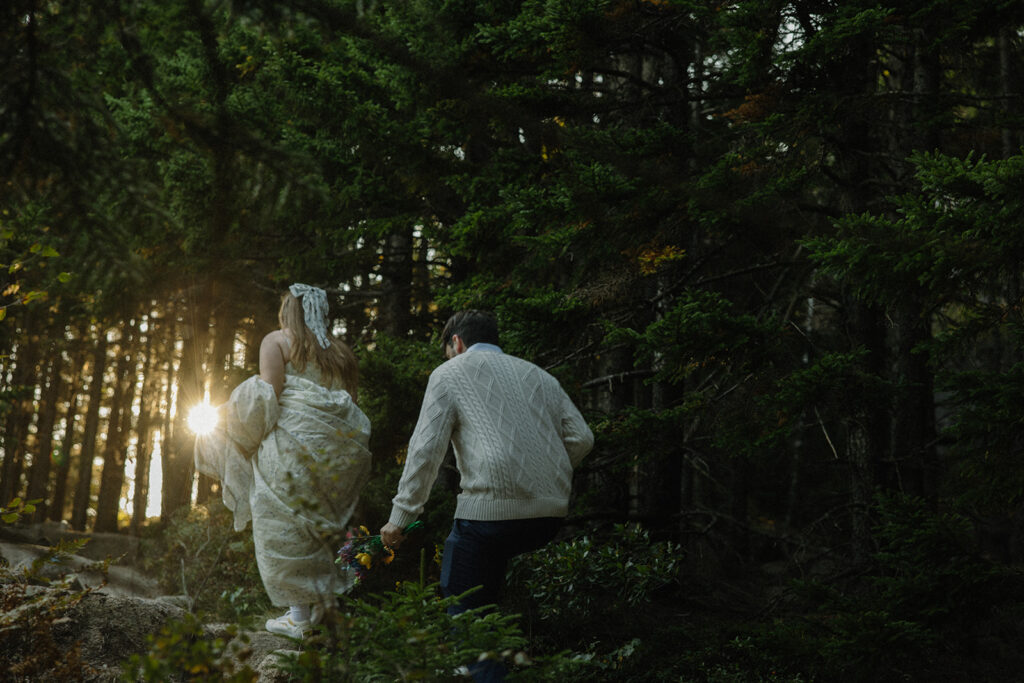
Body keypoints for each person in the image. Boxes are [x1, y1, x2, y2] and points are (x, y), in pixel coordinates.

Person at [380, 309, 593, 680]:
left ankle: (477, 666)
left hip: (490, 514)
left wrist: (400, 518)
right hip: (549, 515)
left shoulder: (449, 373)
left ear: (456, 343)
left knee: (463, 600)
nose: (447, 358)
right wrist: (546, 475)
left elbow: (425, 452)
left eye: (447, 351)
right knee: (484, 584)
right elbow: (582, 438)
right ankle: (481, 661)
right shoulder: (539, 375)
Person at [194, 284, 372, 639]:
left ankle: (298, 616)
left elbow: (267, 394)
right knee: (318, 527)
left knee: (283, 526)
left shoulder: (277, 341)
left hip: (289, 446)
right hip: (335, 453)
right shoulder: (342, 353)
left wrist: (235, 422)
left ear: (289, 311)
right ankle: (319, 607)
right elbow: (349, 405)